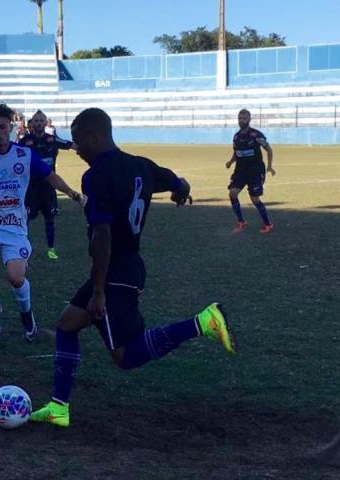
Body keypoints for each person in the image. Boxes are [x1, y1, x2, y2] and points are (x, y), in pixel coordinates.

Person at [30, 108, 235, 428]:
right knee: (67, 325)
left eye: (80, 140)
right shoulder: (141, 166)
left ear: (94, 137)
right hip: (126, 267)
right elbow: (177, 181)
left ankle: (203, 322)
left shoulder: (96, 175)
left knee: (125, 355)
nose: (77, 148)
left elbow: (102, 234)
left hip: (114, 273)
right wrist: (183, 190)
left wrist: (99, 291)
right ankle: (59, 408)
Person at [0, 104, 84, 342]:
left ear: (11, 127)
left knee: (16, 277)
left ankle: (27, 315)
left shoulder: (24, 155)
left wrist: (72, 193)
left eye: (2, 127)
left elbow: (50, 176)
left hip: (15, 226)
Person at [19, 110, 74, 260]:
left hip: (49, 187)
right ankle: (23, 249)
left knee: (50, 219)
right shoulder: (24, 142)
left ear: (46, 123)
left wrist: (89, 147)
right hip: (30, 188)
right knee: (25, 220)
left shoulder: (52, 139)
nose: (38, 123)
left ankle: (51, 249)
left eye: (41, 120)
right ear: (31, 123)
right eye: (35, 121)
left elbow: (71, 145)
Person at [226, 109, 276, 234]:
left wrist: (269, 166)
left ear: (249, 119)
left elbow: (269, 149)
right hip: (240, 170)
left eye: (244, 118)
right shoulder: (236, 136)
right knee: (232, 194)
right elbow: (236, 152)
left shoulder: (256, 135)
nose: (241, 120)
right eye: (239, 118)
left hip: (255, 170)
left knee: (254, 199)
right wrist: (231, 161)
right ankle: (241, 221)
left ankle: (268, 224)